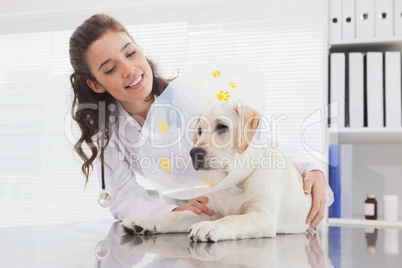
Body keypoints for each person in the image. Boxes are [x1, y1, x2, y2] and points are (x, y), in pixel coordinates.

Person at [69, 14, 332, 231]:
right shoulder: (107, 132)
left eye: (130, 53)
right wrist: (172, 210)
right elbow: (123, 195)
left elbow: (257, 139)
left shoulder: (192, 97)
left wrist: (312, 169)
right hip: (187, 221)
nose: (129, 69)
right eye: (110, 69)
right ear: (95, 84)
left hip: (237, 212)